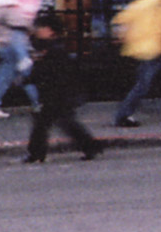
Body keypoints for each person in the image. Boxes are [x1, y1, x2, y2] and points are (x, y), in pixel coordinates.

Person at [22, 18, 102, 163]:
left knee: (49, 123)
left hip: (56, 92)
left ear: (51, 31)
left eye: (42, 27)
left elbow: (49, 70)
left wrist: (31, 78)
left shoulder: (54, 48)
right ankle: (90, 146)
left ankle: (36, 153)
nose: (39, 29)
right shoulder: (47, 45)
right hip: (54, 92)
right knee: (58, 122)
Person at [111, 0, 161, 127]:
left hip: (139, 50)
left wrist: (122, 36)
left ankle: (125, 113)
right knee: (142, 85)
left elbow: (119, 21)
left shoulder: (139, 5)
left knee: (142, 84)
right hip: (151, 50)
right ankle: (123, 115)